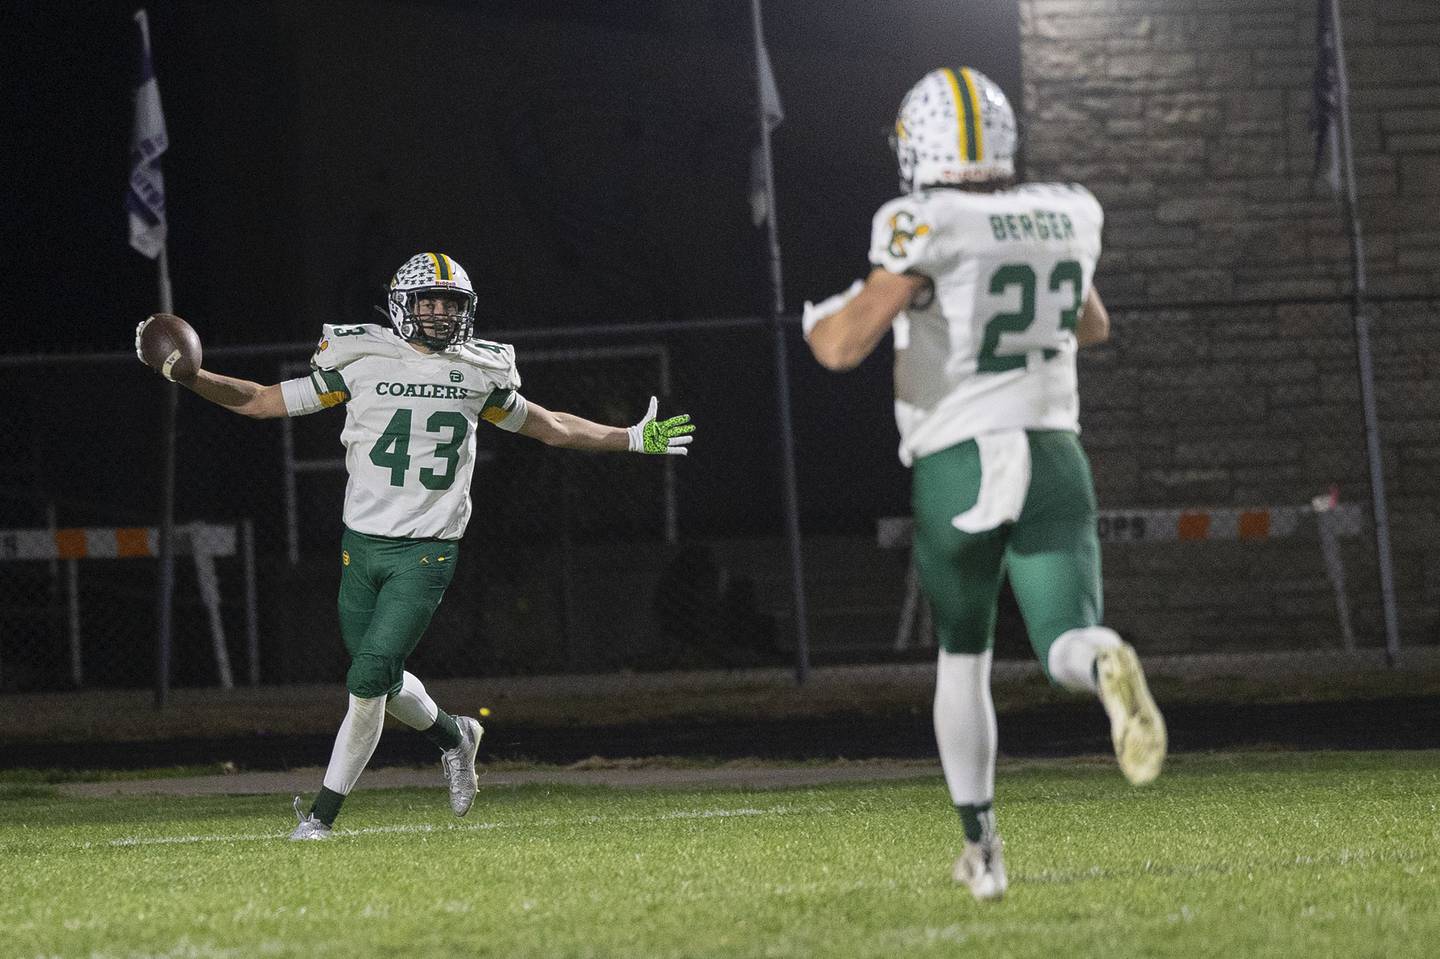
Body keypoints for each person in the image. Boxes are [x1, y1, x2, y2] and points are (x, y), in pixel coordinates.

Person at [135, 252, 694, 840]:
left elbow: (550, 427)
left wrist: (629, 437)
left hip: (427, 551)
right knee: (382, 678)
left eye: (449, 304)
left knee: (367, 679)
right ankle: (456, 736)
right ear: (403, 306)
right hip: (361, 547)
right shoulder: (362, 361)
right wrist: (193, 379)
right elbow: (262, 400)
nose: (437, 315)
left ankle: (320, 818)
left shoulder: (479, 372)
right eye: (427, 302)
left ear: (466, 312)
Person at [802, 68, 1165, 901]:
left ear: (921, 145)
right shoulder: (1062, 211)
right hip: (1054, 456)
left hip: (959, 460)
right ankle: (1105, 658)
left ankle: (985, 853)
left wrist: (823, 313)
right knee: (1066, 639)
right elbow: (1094, 324)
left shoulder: (922, 219)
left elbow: (841, 346)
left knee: (962, 661)